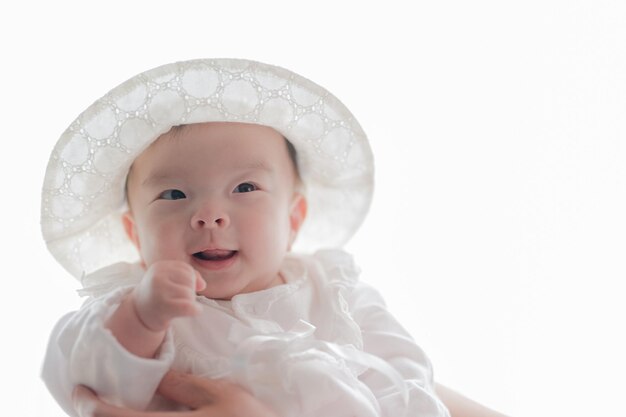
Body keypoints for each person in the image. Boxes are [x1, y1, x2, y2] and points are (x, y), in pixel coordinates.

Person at [42, 58, 449, 417]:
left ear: (293, 219)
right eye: (173, 194)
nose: (209, 216)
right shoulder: (134, 303)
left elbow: (407, 372)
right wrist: (142, 318)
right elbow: (83, 381)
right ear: (135, 234)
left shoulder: (337, 291)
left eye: (245, 188)